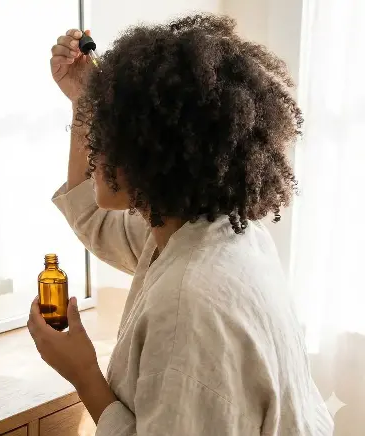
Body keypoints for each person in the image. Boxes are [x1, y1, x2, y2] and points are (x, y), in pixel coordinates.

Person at [27, 15, 333, 435]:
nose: (92, 147)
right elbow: (92, 214)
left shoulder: (188, 303)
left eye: (106, 132)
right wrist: (84, 100)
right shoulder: (221, 235)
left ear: (151, 147)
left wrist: (83, 373)